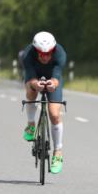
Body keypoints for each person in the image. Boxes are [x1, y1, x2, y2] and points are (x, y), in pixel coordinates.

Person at [19, 31, 67, 174]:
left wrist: (53, 83)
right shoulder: (27, 55)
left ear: (53, 50)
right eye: (41, 54)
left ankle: (58, 152)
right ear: (36, 51)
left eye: (48, 54)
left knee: (54, 114)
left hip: (52, 79)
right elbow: (30, 76)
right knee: (31, 91)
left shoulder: (60, 53)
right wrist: (35, 84)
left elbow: (57, 75)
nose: (45, 57)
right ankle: (31, 124)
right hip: (34, 76)